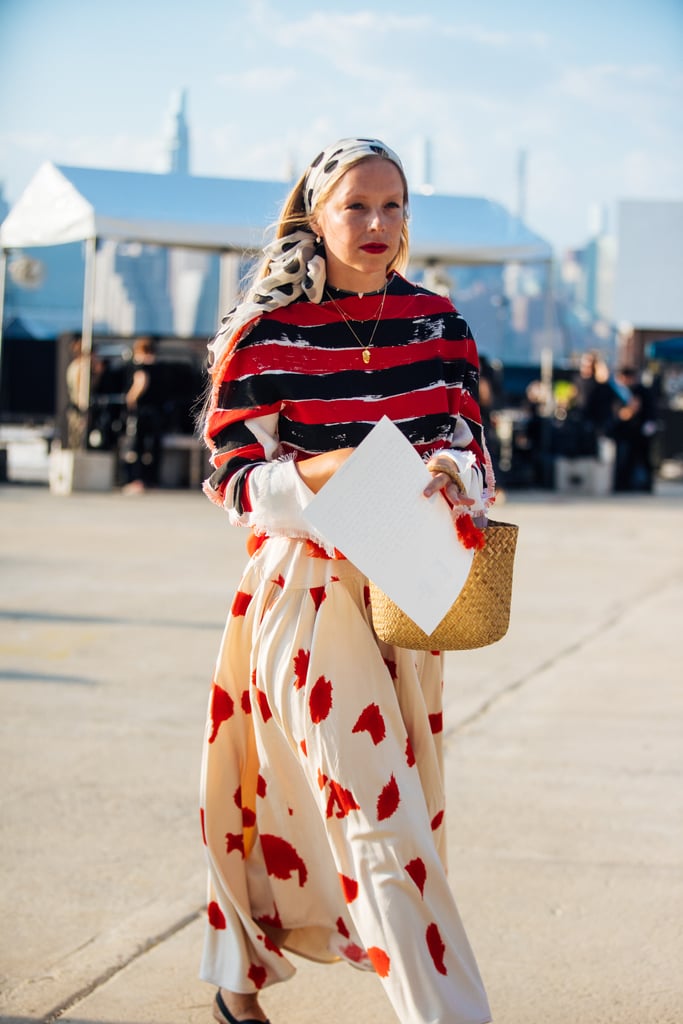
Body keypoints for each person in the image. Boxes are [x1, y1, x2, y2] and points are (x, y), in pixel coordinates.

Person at [198, 138, 495, 1024]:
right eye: (356, 206)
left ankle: (236, 980)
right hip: (306, 590)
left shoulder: (439, 323)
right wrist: (323, 471)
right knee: (377, 813)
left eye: (394, 206)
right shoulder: (265, 332)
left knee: (374, 809)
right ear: (314, 217)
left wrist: (456, 476)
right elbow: (230, 480)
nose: (378, 225)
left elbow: (477, 446)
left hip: (411, 586)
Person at [121, 335, 164, 493]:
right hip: (158, 412)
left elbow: (141, 382)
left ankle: (137, 479)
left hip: (143, 412)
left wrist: (130, 398)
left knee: (138, 446)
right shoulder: (160, 367)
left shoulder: (141, 367)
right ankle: (152, 479)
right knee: (154, 447)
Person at [611, 365, 658, 492]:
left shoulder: (642, 391)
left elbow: (651, 411)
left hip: (641, 432)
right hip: (624, 433)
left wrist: (649, 425)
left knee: (643, 459)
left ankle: (645, 485)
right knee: (624, 460)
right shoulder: (618, 392)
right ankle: (623, 485)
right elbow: (618, 413)